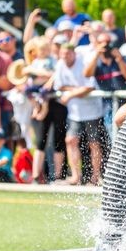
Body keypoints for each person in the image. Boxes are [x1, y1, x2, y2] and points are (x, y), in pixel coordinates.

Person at [53, 41, 106, 185]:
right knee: (70, 140)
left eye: (68, 54)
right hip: (74, 112)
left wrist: (71, 94)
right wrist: (77, 90)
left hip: (92, 111)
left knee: (94, 144)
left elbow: (89, 87)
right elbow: (60, 86)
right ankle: (76, 176)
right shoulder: (60, 65)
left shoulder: (83, 62)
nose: (65, 57)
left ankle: (95, 177)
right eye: (63, 55)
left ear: (73, 54)